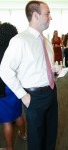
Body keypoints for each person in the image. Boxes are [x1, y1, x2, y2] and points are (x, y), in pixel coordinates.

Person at [0, 1, 60, 150]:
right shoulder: (19, 40)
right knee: (36, 139)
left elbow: (41, 67)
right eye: (47, 14)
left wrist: (54, 72)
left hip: (52, 92)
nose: (50, 18)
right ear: (35, 15)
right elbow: (5, 70)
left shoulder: (46, 41)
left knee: (51, 133)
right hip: (34, 97)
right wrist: (23, 95)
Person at [0, 22, 26, 150]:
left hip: (2, 88)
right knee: (18, 114)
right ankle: (23, 133)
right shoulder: (15, 49)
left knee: (6, 120)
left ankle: (9, 148)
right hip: (15, 86)